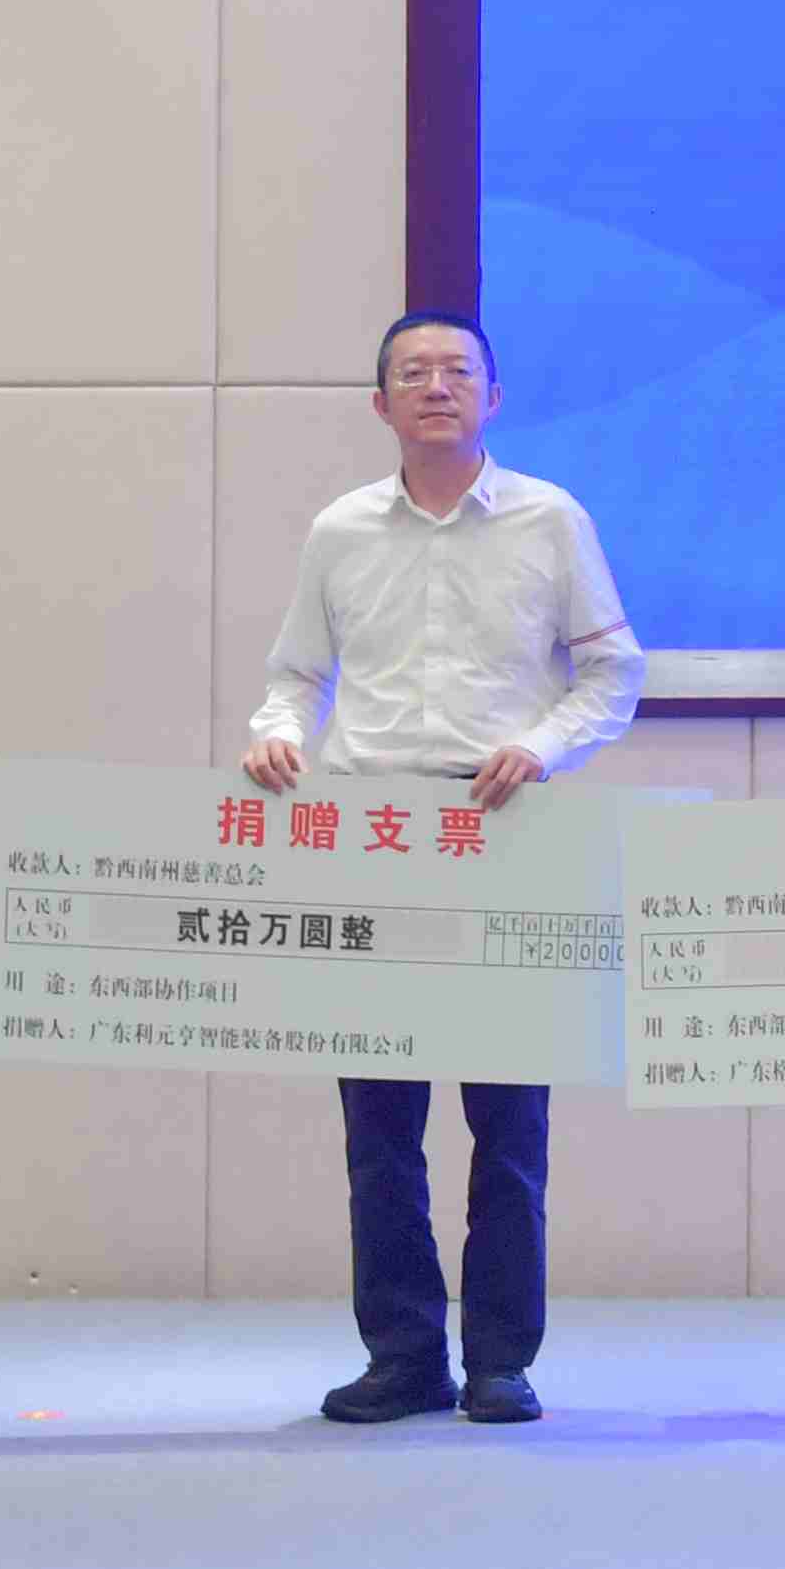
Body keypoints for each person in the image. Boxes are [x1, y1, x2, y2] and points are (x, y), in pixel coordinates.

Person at [240, 309, 642, 1427]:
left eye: (458, 370)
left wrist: (542, 746)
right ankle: (404, 1354)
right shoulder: (340, 529)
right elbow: (295, 676)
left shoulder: (550, 520)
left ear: (493, 397)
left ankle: (501, 1359)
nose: (435, 387)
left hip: (503, 832)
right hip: (372, 841)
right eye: (412, 373)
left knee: (509, 1127)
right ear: (381, 404)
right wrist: (276, 732)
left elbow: (613, 672)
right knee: (380, 1130)